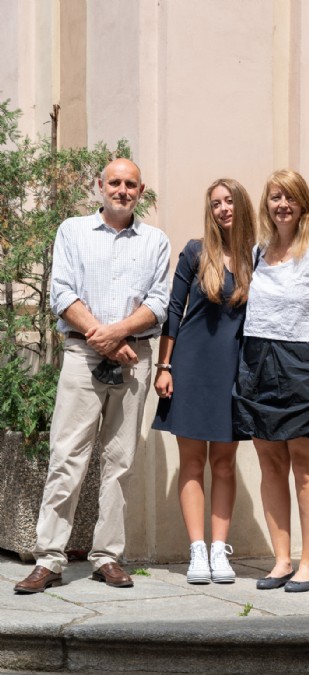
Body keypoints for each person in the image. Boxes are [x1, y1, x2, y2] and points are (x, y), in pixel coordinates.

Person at [14, 158, 170, 594]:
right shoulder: (73, 231)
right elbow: (62, 293)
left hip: (134, 358)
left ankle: (107, 557)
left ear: (141, 191)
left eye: (131, 184)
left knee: (120, 463)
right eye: (115, 182)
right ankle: (49, 558)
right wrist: (105, 339)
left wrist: (116, 335)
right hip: (83, 355)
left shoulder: (155, 241)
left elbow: (159, 303)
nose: (122, 190)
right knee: (66, 457)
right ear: (100, 186)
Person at [233, 170, 309, 593]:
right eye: (275, 197)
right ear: (266, 204)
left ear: (303, 204)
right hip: (259, 365)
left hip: (307, 366)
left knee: (305, 465)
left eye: (290, 197)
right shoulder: (257, 252)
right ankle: (281, 560)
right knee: (270, 463)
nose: (282, 204)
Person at [153, 178, 256, 584]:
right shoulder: (195, 252)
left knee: (225, 464)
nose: (223, 209)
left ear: (241, 205)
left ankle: (219, 550)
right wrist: (164, 367)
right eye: (216, 203)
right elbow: (173, 311)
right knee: (193, 462)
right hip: (191, 366)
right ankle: (196, 550)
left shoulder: (256, 257)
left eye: (229, 201)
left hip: (233, 371)